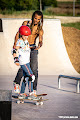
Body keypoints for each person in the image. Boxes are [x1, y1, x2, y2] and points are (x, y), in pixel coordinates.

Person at [13, 10, 43, 95]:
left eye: (38, 19)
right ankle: (16, 83)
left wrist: (39, 45)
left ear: (40, 20)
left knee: (34, 70)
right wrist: (15, 45)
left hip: (33, 48)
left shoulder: (40, 29)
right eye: (35, 18)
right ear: (33, 17)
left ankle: (33, 90)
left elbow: (41, 40)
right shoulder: (26, 23)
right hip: (23, 47)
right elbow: (18, 34)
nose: (36, 20)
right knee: (23, 67)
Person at [12, 25, 37, 99]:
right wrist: (16, 59)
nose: (26, 37)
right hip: (23, 62)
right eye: (24, 35)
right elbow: (14, 50)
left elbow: (25, 48)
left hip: (27, 62)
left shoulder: (25, 41)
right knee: (31, 77)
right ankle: (31, 93)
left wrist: (32, 47)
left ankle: (22, 93)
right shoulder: (19, 41)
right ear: (21, 34)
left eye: (27, 35)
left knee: (26, 77)